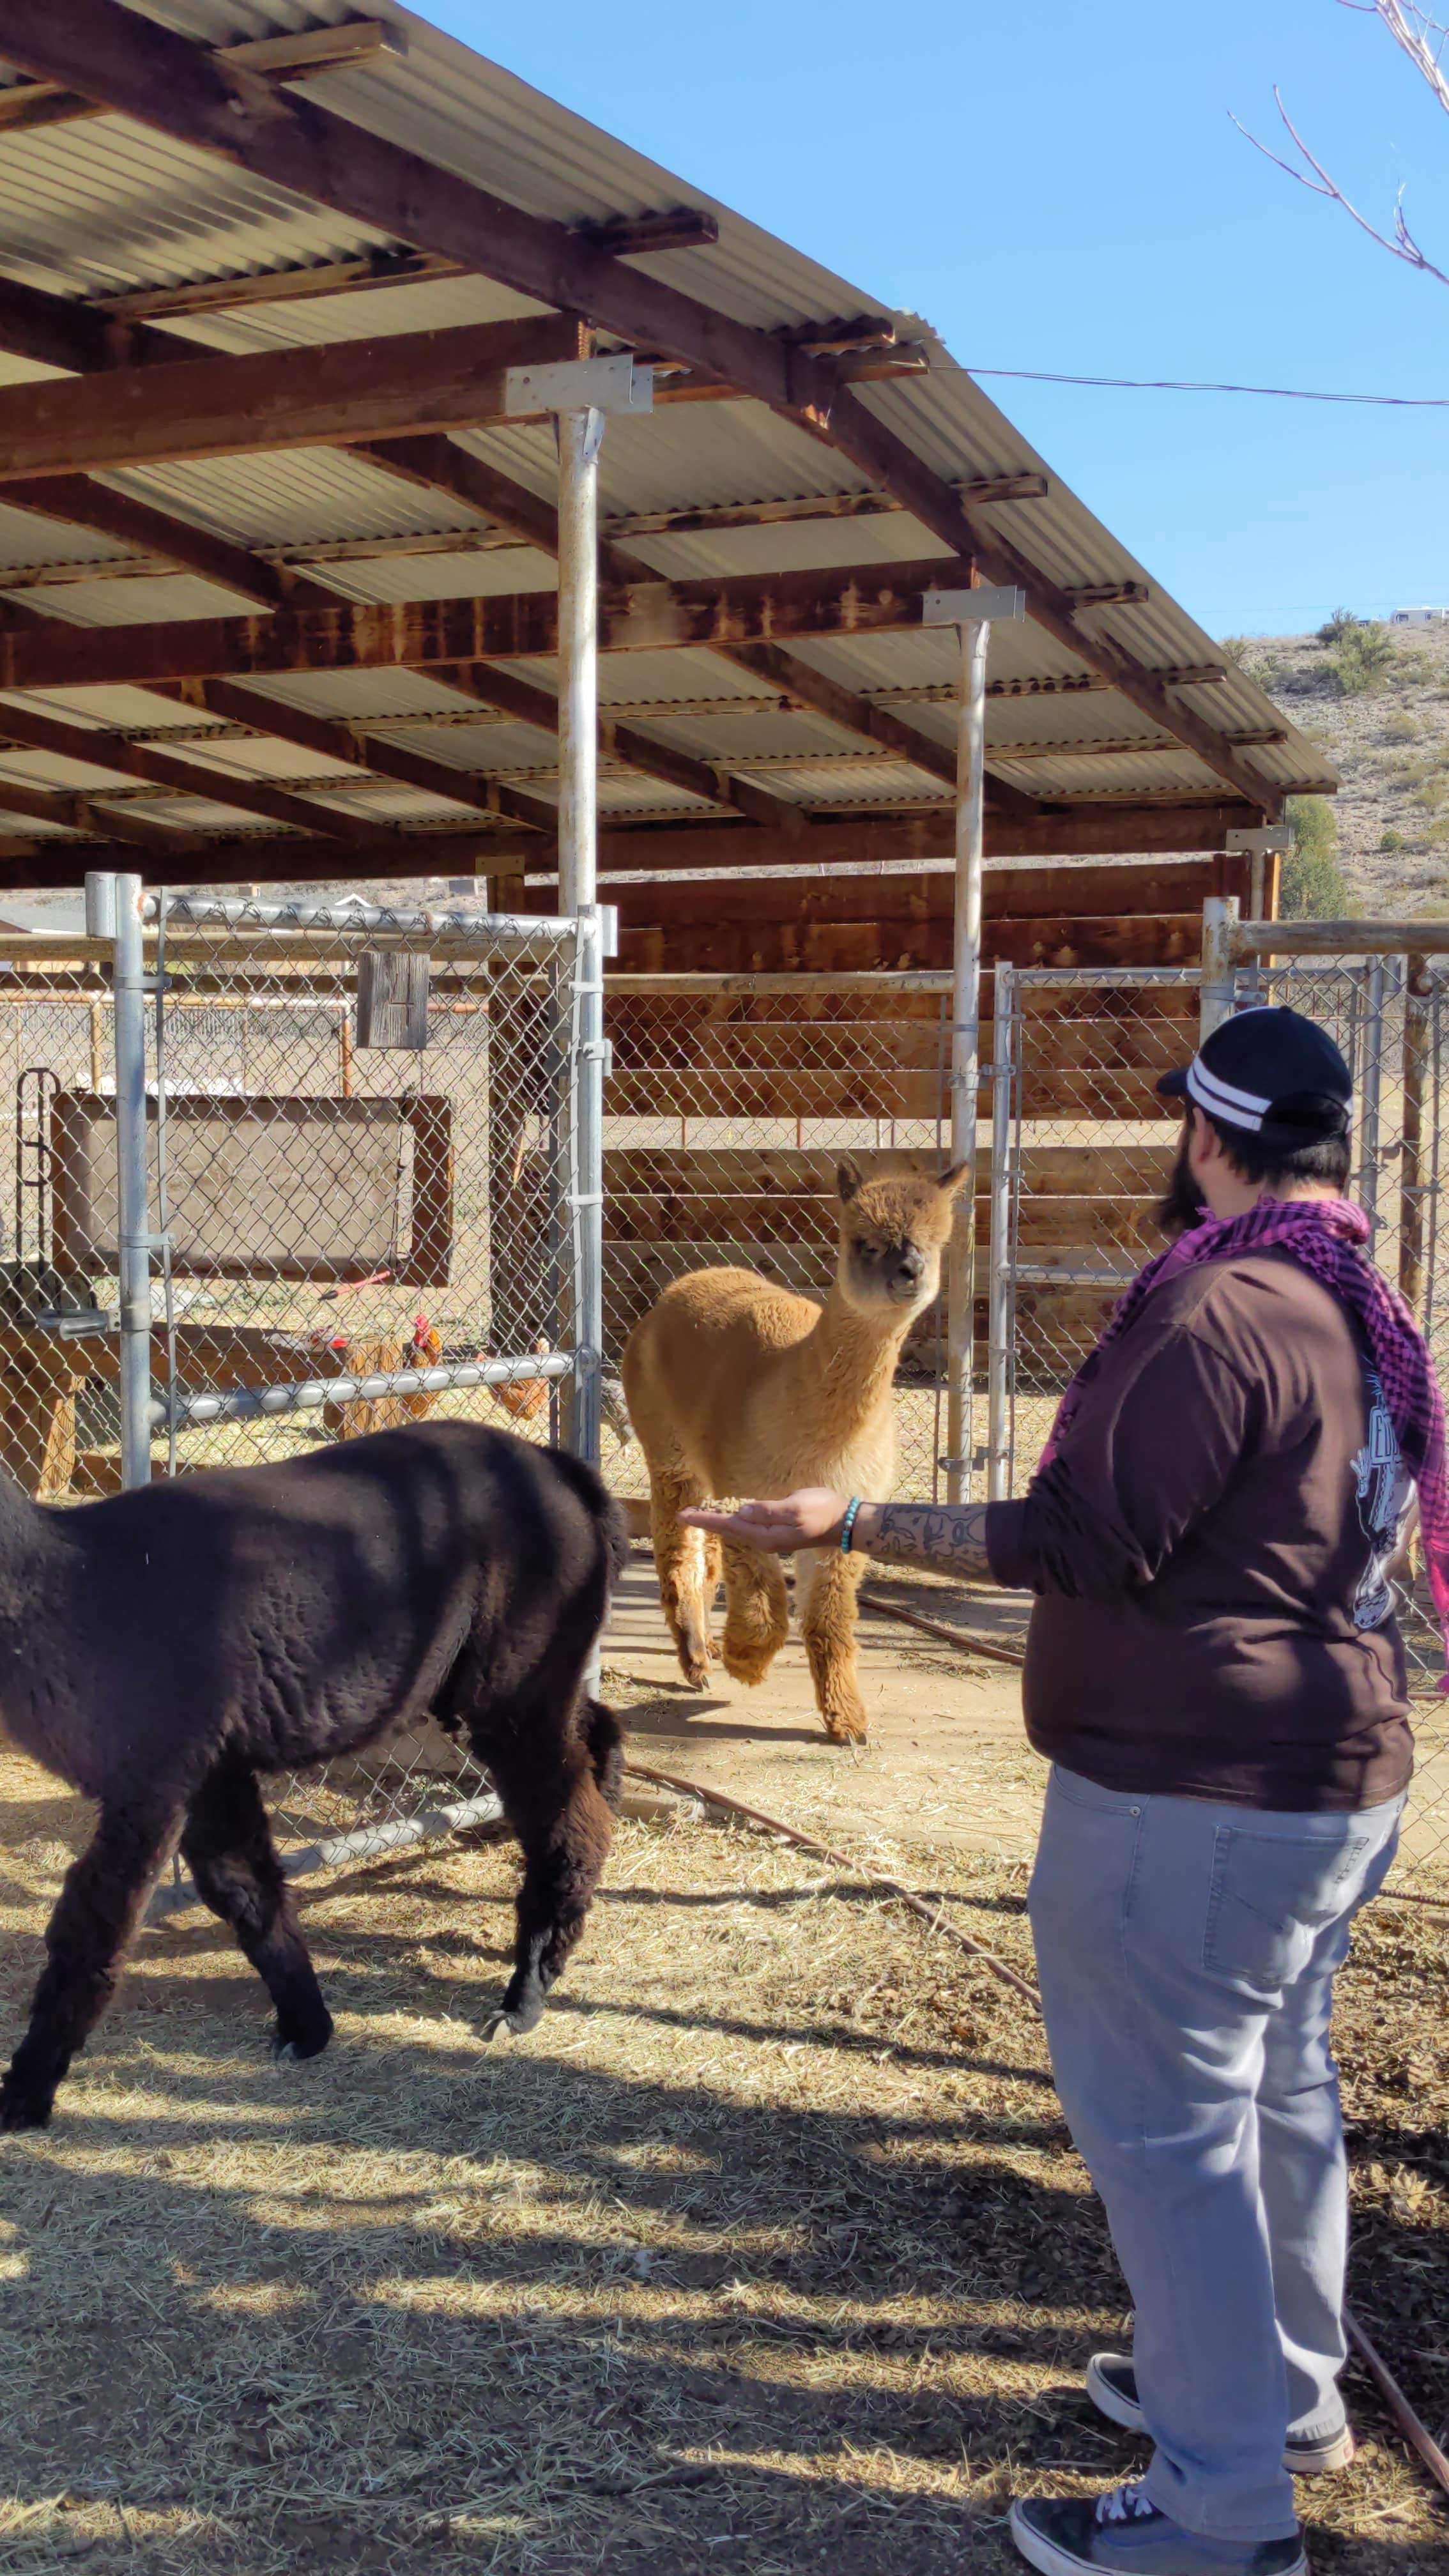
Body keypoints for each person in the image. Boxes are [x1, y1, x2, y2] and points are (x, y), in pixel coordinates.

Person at [683, 1005, 1445, 2576]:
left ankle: (1223, 2503)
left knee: (1169, 2133)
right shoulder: (1359, 1307)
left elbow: (1086, 1542)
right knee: (1278, 2089)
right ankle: (1277, 2394)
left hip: (1198, 1800)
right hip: (1331, 1784)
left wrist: (854, 1523)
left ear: (1205, 1139)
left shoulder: (1216, 1316)